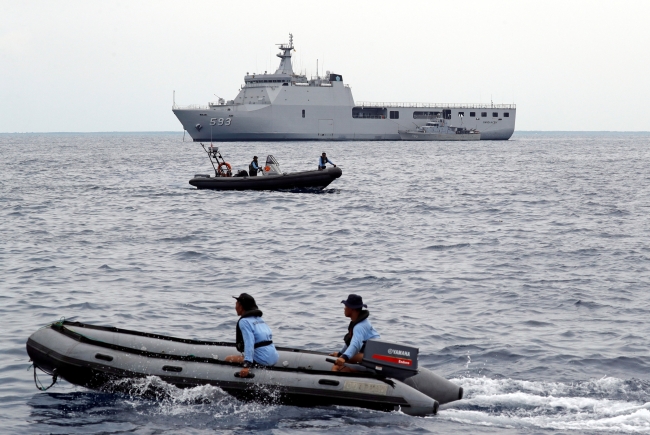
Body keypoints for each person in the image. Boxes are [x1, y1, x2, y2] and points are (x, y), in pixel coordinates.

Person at [225, 293, 279, 378]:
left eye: (236, 304)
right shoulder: (259, 319)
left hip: (261, 359)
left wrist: (247, 365)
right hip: (274, 357)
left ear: (241, 306)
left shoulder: (244, 321)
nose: (235, 307)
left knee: (228, 359)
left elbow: (249, 342)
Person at [329, 294, 380, 372]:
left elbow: (356, 344)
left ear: (352, 309)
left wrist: (344, 357)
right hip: (370, 354)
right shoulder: (358, 323)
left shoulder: (359, 326)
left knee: (336, 366)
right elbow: (350, 342)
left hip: (372, 356)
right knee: (345, 367)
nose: (344, 308)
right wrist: (340, 354)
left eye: (346, 306)